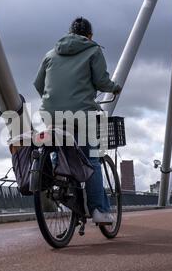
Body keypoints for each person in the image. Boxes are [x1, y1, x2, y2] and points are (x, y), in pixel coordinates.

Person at [34, 17, 121, 225]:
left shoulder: (50, 54)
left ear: (69, 33)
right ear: (89, 35)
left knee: (59, 151)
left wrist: (53, 101)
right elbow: (101, 81)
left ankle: (63, 193)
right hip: (82, 113)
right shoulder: (93, 50)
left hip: (51, 114)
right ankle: (99, 210)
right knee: (92, 158)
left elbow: (38, 84)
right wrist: (114, 87)